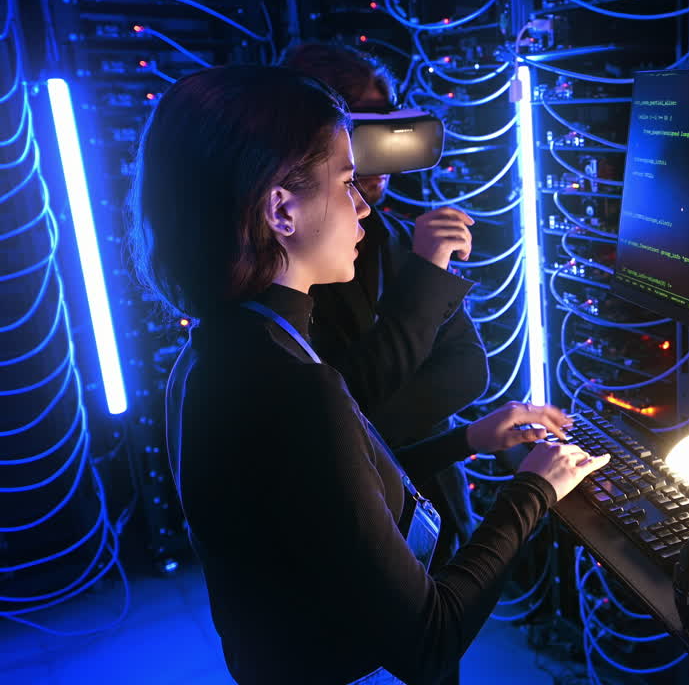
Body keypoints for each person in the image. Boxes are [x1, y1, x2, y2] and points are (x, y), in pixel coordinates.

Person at [129, 65, 609, 685]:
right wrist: (534, 492)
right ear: (281, 209)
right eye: (347, 181)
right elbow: (429, 640)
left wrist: (468, 440)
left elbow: (333, 501)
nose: (362, 206)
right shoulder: (296, 384)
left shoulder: (220, 350)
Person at [280, 41, 486, 573]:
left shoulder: (399, 239)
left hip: (433, 503)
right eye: (358, 128)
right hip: (354, 536)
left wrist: (369, 433)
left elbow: (468, 371)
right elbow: (333, 423)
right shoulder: (286, 266)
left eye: (385, 122)